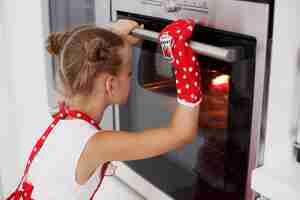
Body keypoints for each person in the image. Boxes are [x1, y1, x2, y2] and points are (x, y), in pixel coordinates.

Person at [11, 19, 203, 200]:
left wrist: (115, 38)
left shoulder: (64, 115)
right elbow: (181, 134)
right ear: (110, 85)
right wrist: (185, 66)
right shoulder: (96, 144)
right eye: (128, 74)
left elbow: (85, 53)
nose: (130, 77)